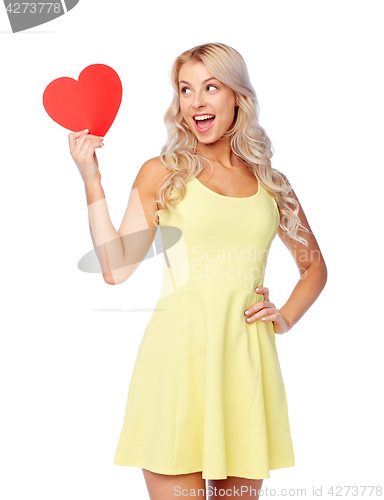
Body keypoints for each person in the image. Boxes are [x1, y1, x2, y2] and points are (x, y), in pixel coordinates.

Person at [68, 42, 327, 500]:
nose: (196, 102)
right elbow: (114, 269)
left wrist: (283, 317)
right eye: (186, 90)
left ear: (237, 98)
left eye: (211, 87)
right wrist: (92, 178)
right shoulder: (163, 172)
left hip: (244, 365)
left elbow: (314, 267)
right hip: (177, 362)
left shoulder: (272, 182)